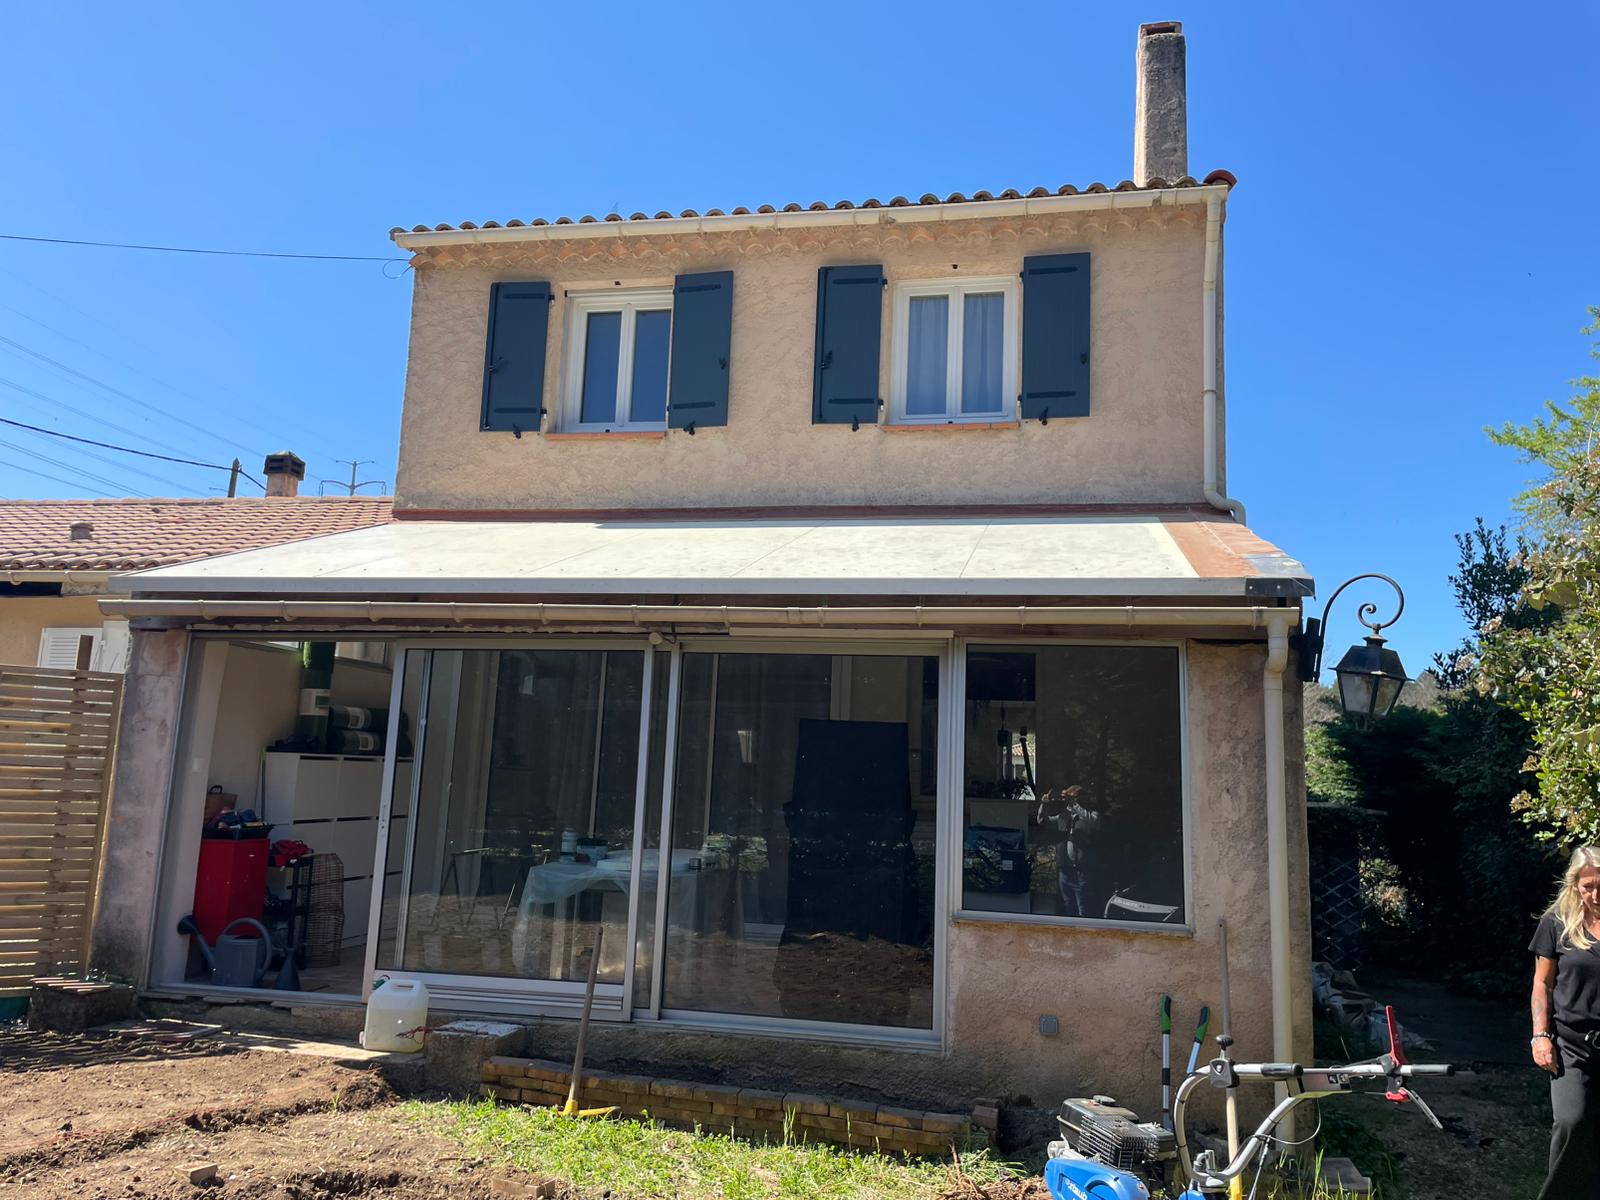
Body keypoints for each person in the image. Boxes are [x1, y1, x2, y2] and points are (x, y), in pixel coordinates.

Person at [1531, 845, 1600, 1196]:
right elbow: (1542, 984)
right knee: (1572, 1123)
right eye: (1588, 887)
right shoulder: (1556, 922)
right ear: (1575, 885)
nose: (1596, 895)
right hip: (1572, 1046)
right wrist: (1540, 1036)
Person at [1035, 785, 1100, 917]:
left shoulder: (1091, 814)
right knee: (1067, 906)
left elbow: (1092, 822)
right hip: (1064, 871)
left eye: (1074, 797)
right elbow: (1042, 821)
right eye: (1069, 797)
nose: (1069, 800)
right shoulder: (1064, 815)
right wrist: (1044, 803)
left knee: (1083, 909)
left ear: (1082, 798)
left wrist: (1073, 803)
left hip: (1081, 872)